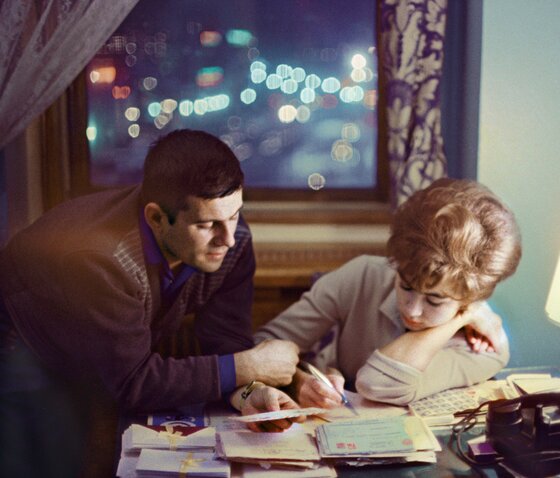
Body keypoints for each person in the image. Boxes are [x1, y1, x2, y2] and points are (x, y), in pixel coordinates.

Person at [0, 129, 299, 476]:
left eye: (234, 215)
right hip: (21, 342)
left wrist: (250, 392)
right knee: (49, 463)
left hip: (93, 348)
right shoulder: (102, 257)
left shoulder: (230, 238)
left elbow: (226, 343)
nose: (229, 239)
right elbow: (133, 381)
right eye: (207, 225)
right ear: (156, 218)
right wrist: (250, 366)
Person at [254, 178, 522, 408]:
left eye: (434, 300)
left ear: (469, 300)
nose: (412, 309)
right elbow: (262, 345)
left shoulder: (487, 347)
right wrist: (299, 383)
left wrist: (460, 319)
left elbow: (377, 384)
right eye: (405, 285)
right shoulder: (363, 275)